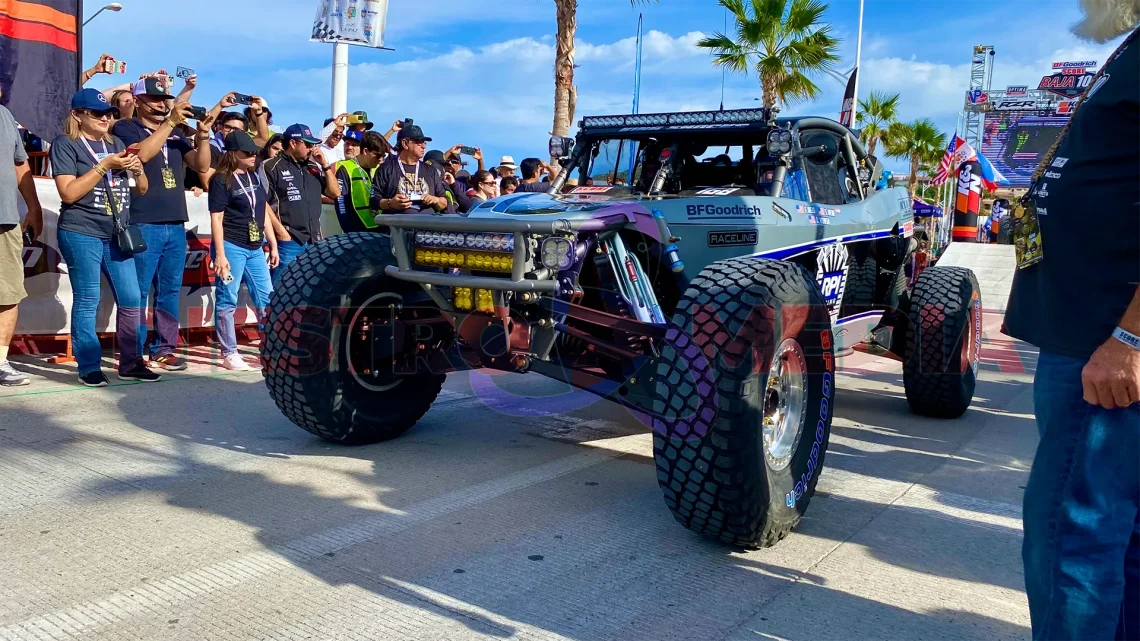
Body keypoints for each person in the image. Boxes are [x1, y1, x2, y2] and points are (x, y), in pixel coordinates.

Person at [1004, 2, 1140, 639]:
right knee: (1118, 531)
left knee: (1071, 531)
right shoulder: (1131, 51)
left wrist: (1131, 337)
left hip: (1106, 342)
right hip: (1094, 333)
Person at [112, 77, 220, 372]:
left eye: (164, 99)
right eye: (155, 99)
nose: (161, 104)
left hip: (175, 222)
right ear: (137, 101)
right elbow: (142, 155)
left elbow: (200, 166)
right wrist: (170, 123)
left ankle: (164, 348)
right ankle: (133, 354)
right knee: (138, 291)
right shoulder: (126, 127)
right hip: (143, 220)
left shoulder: (175, 134)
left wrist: (204, 136)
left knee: (170, 290)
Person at [50, 89, 155, 386]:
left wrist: (138, 170)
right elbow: (68, 193)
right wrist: (103, 166)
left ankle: (132, 362)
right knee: (88, 298)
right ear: (77, 115)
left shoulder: (117, 143)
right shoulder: (66, 144)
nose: (105, 118)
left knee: (132, 297)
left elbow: (142, 190)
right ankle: (88, 365)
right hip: (81, 229)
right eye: (97, 113)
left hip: (116, 232)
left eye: (108, 113)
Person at [208, 131, 278, 371]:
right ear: (233, 154)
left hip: (256, 247)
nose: (253, 156)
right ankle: (229, 353)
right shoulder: (221, 179)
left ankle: (271, 349)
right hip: (231, 245)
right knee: (228, 297)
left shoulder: (254, 178)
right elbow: (216, 218)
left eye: (254, 152)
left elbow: (263, 212)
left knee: (268, 298)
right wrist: (220, 254)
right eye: (247, 153)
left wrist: (273, 243)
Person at [0, 100, 44, 386]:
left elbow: (20, 163)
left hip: (5, 219)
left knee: (8, 293)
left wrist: (34, 206)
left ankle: (0, 362)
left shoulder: (5, 114)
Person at [262, 123, 339, 281]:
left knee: (309, 289)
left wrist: (324, 165)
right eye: (308, 144)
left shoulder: (313, 167)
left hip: (314, 240)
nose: (312, 148)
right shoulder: (271, 166)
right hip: (288, 241)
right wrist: (281, 233)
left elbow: (335, 193)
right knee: (280, 289)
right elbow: (260, 202)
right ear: (293, 143)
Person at [371, 124, 450, 216]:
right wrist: (390, 203)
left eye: (424, 142)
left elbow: (444, 202)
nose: (423, 146)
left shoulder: (431, 170)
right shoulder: (385, 169)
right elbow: (373, 201)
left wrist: (435, 200)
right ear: (405, 143)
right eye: (418, 142)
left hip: (426, 227)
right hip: (397, 228)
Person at [334, 131, 389, 233]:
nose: (380, 159)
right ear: (365, 151)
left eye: (383, 156)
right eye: (377, 156)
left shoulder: (379, 168)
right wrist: (348, 230)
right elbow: (341, 203)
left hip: (380, 229)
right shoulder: (345, 169)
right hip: (355, 232)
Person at [425, 149, 472, 214]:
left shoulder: (446, 184)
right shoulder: (424, 183)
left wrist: (453, 184)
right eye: (444, 165)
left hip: (450, 222)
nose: (449, 164)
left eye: (454, 162)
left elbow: (467, 207)